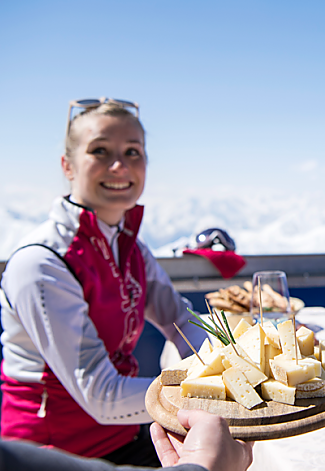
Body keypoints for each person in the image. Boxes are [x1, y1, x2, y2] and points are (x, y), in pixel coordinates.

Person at [0, 98, 208, 466]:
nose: (119, 166)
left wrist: (236, 364)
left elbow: (182, 320)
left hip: (127, 434)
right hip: (54, 454)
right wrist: (209, 391)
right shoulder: (42, 263)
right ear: (67, 165)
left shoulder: (131, 248)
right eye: (100, 151)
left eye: (133, 151)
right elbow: (101, 397)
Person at [0, 409, 253, 471]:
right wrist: (202, 466)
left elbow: (175, 314)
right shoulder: (38, 275)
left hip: (124, 435)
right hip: (59, 444)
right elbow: (97, 394)